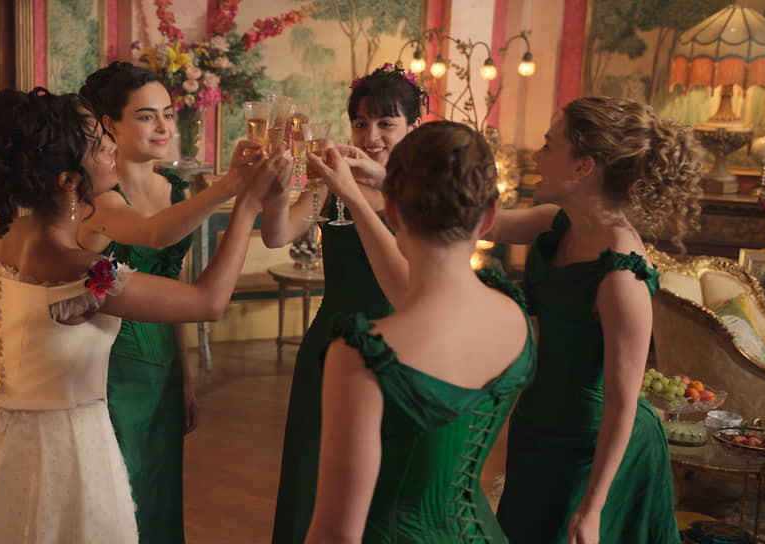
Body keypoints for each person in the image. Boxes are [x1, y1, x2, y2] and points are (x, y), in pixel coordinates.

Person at [0, 88, 290, 543]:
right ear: (66, 180)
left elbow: (143, 231)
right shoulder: (80, 271)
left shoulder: (9, 236)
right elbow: (208, 302)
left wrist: (232, 182)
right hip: (64, 447)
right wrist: (248, 206)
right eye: (100, 146)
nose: (113, 148)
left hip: (5, 437)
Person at [301, 121, 536, 543]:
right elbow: (415, 292)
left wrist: (357, 196)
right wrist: (355, 196)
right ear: (488, 217)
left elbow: (336, 534)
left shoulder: (362, 354)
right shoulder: (514, 317)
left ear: (392, 211)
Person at [491, 96, 703, 543]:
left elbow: (622, 404)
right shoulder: (557, 223)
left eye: (549, 144)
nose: (536, 156)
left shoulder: (622, 276)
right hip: (537, 431)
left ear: (583, 166)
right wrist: (384, 183)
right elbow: (470, 222)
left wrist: (593, 506)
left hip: (594, 454)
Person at [77, 61, 240, 543]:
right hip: (112, 369)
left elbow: (175, 287)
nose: (165, 127)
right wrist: (233, 187)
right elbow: (153, 234)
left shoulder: (177, 189)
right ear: (109, 124)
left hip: (164, 366)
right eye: (147, 116)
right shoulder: (97, 199)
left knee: (158, 493)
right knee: (120, 495)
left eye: (168, 114)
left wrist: (185, 378)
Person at [262, 63, 423, 544]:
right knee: (314, 467)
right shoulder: (329, 189)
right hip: (330, 347)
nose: (370, 136)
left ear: (413, 127)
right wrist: (277, 190)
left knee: (385, 479)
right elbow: (276, 234)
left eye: (386, 123)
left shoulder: (426, 195)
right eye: (360, 122)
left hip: (401, 353)